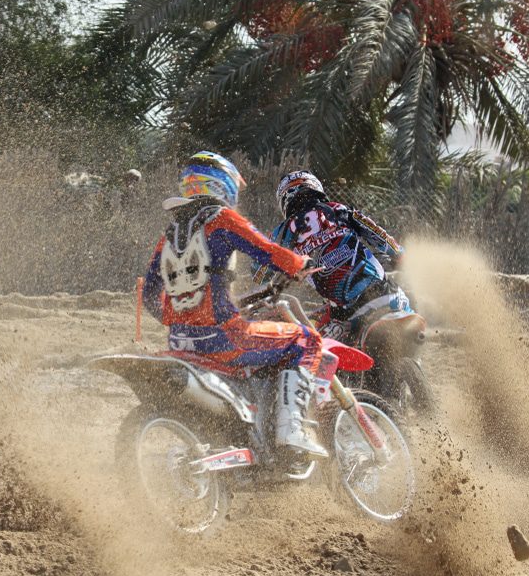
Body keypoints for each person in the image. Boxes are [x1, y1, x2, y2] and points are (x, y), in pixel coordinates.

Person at [142, 152, 328, 458]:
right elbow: (264, 249)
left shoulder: (170, 234)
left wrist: (180, 317)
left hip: (179, 342)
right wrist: (298, 263)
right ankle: (290, 431)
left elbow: (149, 292)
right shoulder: (221, 219)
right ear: (221, 185)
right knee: (305, 340)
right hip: (225, 338)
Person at [260, 170, 411, 342]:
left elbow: (260, 271)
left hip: (345, 313)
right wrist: (400, 255)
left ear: (285, 200)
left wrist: (265, 285)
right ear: (315, 187)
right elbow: (379, 235)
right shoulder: (338, 209)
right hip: (384, 291)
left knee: (316, 350)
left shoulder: (283, 233)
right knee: (410, 318)